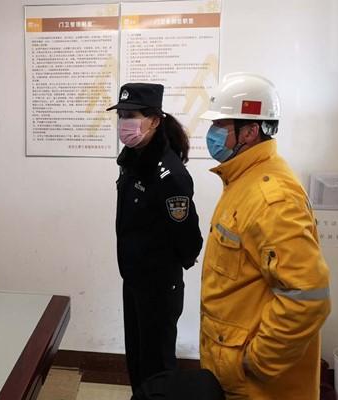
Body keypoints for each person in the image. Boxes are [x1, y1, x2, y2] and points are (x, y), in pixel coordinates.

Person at [199, 73, 331, 399]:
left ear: (250, 131)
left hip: (255, 383)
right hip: (232, 368)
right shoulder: (244, 180)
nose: (212, 133)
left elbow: (307, 297)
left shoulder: (272, 198)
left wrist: (256, 361)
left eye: (220, 125)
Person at [107, 83, 203, 394]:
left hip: (159, 286)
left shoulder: (168, 173)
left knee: (157, 366)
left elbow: (188, 237)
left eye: (132, 115)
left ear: (155, 120)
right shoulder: (133, 159)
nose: (124, 123)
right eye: (122, 115)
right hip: (134, 278)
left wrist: (169, 265)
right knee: (137, 359)